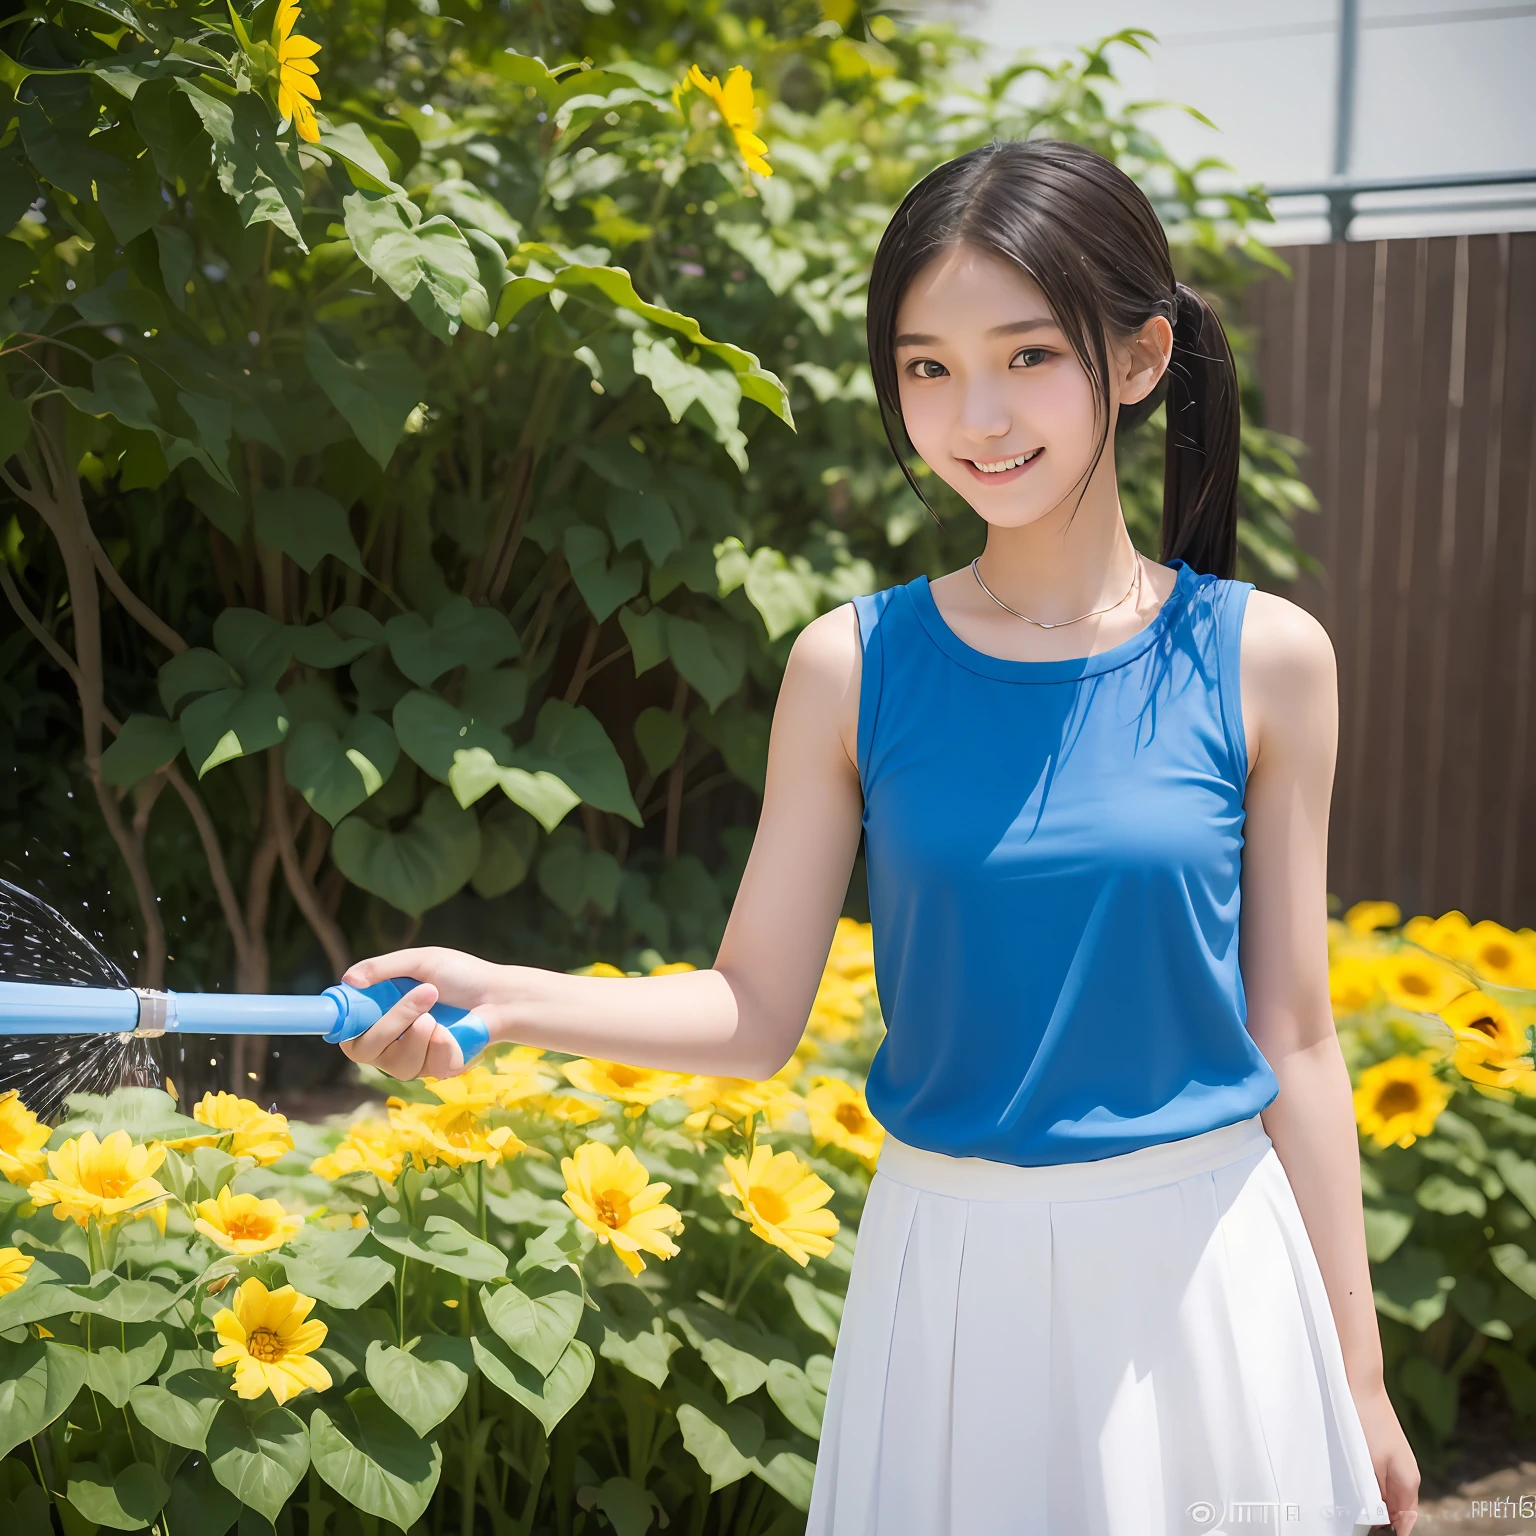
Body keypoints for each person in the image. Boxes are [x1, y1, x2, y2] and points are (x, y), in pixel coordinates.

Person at [334, 139, 1419, 1535]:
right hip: (950, 1281)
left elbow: (1301, 1041)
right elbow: (751, 1007)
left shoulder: (1266, 657)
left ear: (1141, 360)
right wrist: (499, 998)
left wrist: (1362, 1375)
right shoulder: (852, 666)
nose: (977, 412)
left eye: (1028, 355)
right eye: (927, 366)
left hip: (1205, 1275)